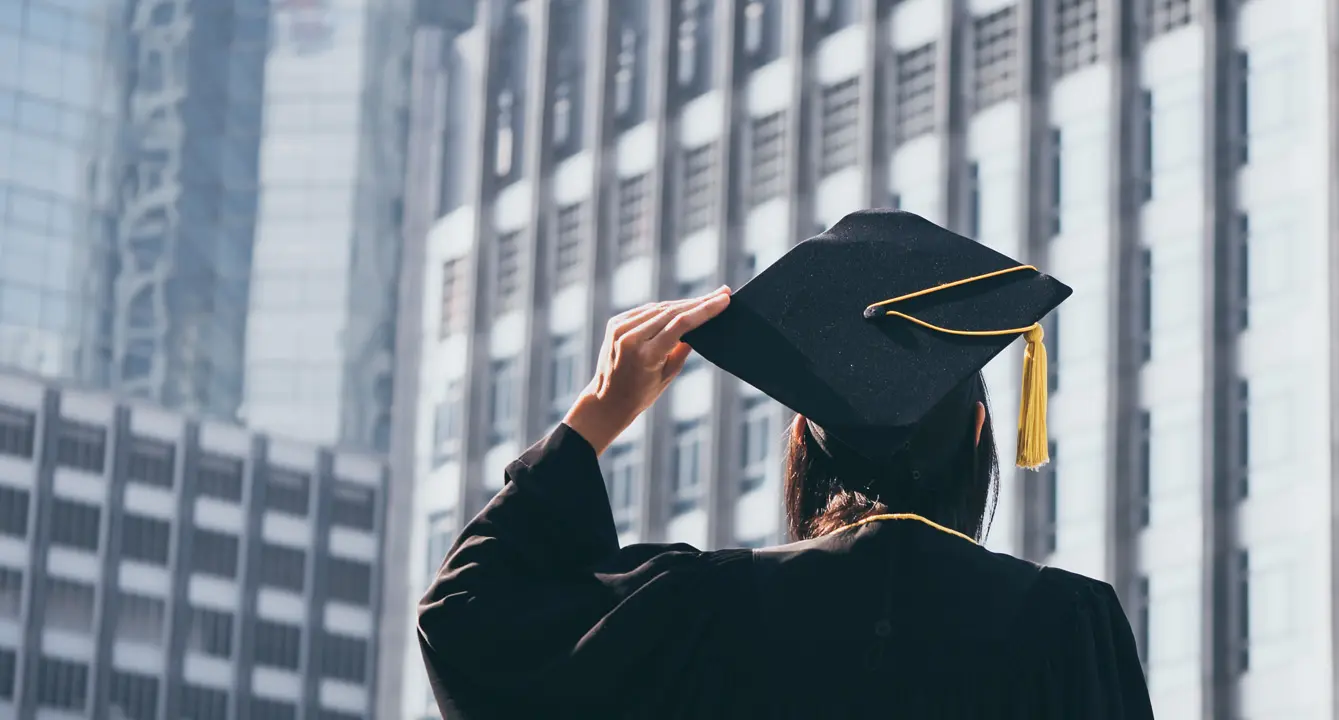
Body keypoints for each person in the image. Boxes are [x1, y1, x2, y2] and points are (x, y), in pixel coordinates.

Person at [418, 210, 1154, 718]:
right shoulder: (1068, 630)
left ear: (800, 438)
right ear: (979, 437)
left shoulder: (699, 613)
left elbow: (464, 618)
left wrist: (597, 415)